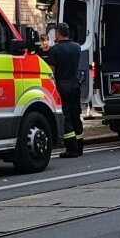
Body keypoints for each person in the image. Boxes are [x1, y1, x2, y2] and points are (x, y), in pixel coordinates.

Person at [39, 22, 84, 158]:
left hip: (61, 87)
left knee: (66, 117)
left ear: (58, 33)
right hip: (75, 85)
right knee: (76, 115)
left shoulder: (55, 50)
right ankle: (80, 145)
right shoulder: (77, 47)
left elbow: (51, 71)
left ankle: (71, 148)